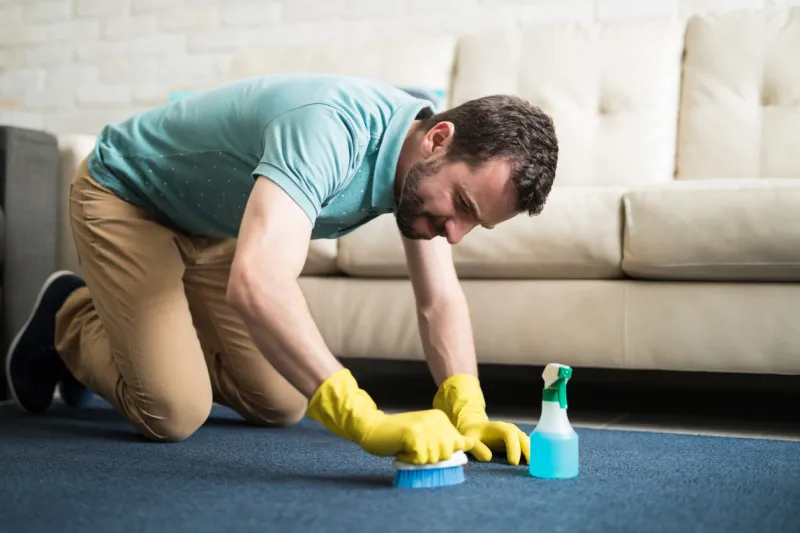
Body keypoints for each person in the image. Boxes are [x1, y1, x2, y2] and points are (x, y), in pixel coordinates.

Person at [5, 73, 558, 467]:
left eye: (474, 224)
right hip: (128, 197)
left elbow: (438, 299)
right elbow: (259, 282)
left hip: (217, 225)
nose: (455, 232)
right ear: (438, 139)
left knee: (281, 402)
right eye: (460, 205)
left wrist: (469, 409)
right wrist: (363, 420)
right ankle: (70, 317)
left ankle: (146, 328)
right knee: (174, 410)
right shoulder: (331, 129)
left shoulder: (419, 165)